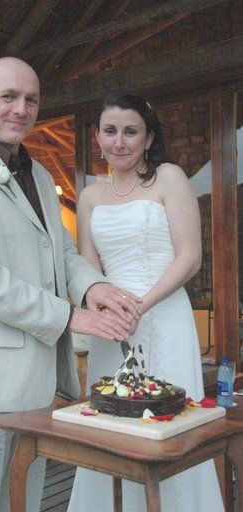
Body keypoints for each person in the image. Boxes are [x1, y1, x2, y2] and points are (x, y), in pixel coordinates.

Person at [0, 59, 143, 512]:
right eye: (8, 97)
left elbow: (61, 252)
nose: (21, 109)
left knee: (21, 503)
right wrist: (69, 315)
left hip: (36, 386)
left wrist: (92, 289)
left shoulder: (40, 176)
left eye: (31, 100)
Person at [68, 92, 224, 512]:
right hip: (113, 326)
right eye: (110, 131)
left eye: (130, 132)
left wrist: (142, 303)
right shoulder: (89, 197)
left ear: (149, 137)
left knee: (173, 424)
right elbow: (87, 263)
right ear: (98, 137)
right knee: (110, 420)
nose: (119, 141)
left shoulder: (170, 177)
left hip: (164, 311)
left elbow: (190, 256)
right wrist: (104, 307)